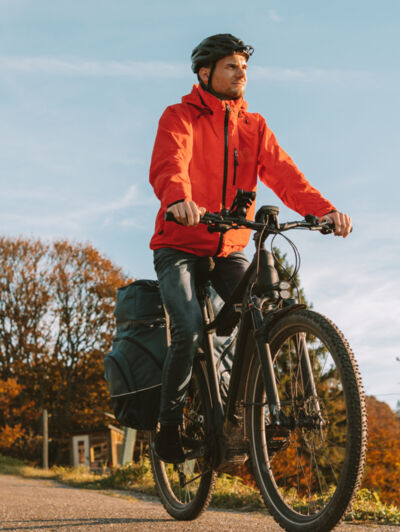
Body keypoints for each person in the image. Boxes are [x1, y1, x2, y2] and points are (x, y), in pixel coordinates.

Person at [148, 33, 351, 463]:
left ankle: (246, 415)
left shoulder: (253, 126)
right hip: (180, 244)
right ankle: (168, 424)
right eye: (231, 66)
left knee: (261, 310)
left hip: (231, 246)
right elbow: (171, 163)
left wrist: (326, 211)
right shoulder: (179, 116)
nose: (241, 73)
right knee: (186, 329)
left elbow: (287, 176)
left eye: (244, 67)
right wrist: (179, 200)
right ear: (206, 73)